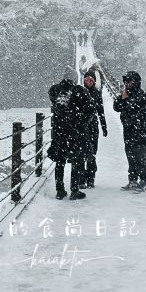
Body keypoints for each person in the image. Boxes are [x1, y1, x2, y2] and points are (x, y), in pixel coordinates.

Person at [48, 70, 96, 200]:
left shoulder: (56, 90)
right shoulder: (79, 91)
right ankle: (74, 190)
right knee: (76, 161)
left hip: (59, 132)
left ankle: (60, 190)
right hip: (75, 133)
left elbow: (52, 96)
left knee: (60, 161)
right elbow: (91, 109)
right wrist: (82, 123)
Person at [113, 70, 146, 192]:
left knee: (141, 158)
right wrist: (122, 98)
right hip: (129, 132)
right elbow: (116, 107)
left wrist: (125, 101)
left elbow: (138, 112)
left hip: (140, 133)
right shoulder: (126, 94)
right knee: (131, 158)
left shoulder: (142, 96)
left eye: (130, 82)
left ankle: (144, 181)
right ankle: (133, 180)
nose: (127, 84)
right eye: (126, 82)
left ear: (136, 83)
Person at [81, 64, 108, 187]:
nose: (89, 82)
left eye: (91, 80)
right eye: (87, 79)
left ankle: (90, 178)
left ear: (94, 81)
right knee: (81, 154)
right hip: (81, 128)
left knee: (92, 153)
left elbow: (101, 111)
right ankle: (81, 179)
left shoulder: (97, 94)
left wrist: (104, 127)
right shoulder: (79, 92)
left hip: (92, 127)